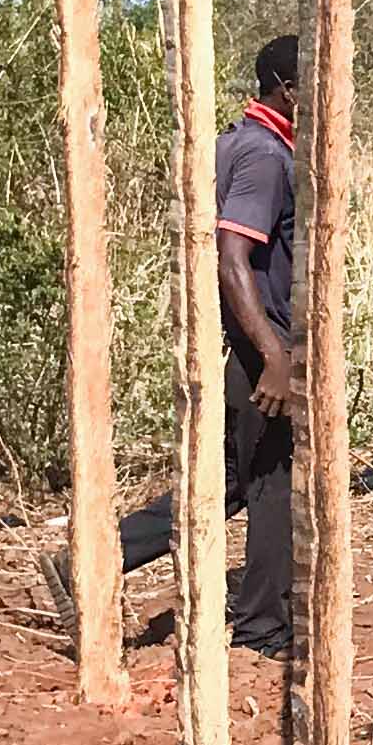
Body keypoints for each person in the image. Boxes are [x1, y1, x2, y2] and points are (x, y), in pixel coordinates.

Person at [103, 33, 304, 656]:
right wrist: (274, 356)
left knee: (229, 481)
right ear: (288, 90)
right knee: (274, 487)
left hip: (246, 342)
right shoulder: (265, 156)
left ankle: (94, 559)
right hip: (263, 348)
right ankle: (263, 629)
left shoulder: (234, 144)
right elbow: (232, 257)